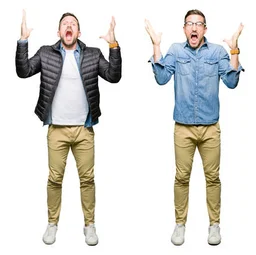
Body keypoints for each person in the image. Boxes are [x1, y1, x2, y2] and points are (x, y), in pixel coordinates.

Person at [15, 10, 121, 246]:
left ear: (78, 32)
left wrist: (113, 44)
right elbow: (23, 72)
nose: (69, 26)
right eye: (65, 24)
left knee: (87, 179)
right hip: (57, 129)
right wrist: (23, 41)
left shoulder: (92, 54)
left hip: (85, 129)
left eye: (73, 23)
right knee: (54, 179)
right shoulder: (46, 53)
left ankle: (89, 225)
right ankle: (52, 224)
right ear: (59, 32)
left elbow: (114, 76)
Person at [145, 9, 243, 246]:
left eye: (199, 23)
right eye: (190, 23)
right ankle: (180, 224)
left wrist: (234, 50)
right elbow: (161, 79)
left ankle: (214, 225)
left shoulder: (219, 52)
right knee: (181, 177)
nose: (194, 27)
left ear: (205, 29)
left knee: (213, 178)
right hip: (183, 128)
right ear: (184, 29)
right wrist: (156, 46)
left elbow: (232, 82)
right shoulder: (177, 51)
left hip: (210, 128)